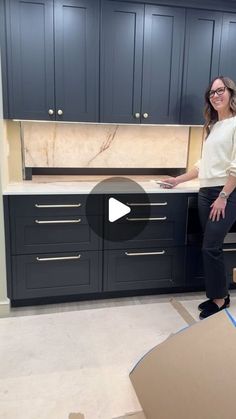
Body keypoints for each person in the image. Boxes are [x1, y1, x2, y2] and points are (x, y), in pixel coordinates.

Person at [162, 76, 236, 319]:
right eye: (212, 93)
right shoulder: (213, 127)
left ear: (231, 93)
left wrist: (224, 195)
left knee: (211, 246)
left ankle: (220, 298)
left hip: (225, 193)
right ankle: (219, 294)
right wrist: (178, 180)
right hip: (206, 193)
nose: (215, 96)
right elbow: (204, 165)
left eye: (220, 90)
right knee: (210, 246)